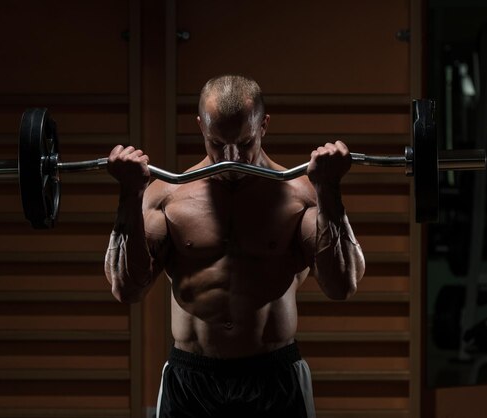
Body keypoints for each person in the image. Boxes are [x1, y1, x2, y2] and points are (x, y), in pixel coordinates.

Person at [104, 75, 365, 418]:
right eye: (217, 143)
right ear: (200, 127)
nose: (231, 157)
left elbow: (342, 285)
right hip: (191, 379)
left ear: (264, 125)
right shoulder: (165, 196)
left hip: (274, 377)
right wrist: (129, 196)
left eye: (244, 143)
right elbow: (127, 289)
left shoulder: (301, 195)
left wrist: (329, 190)